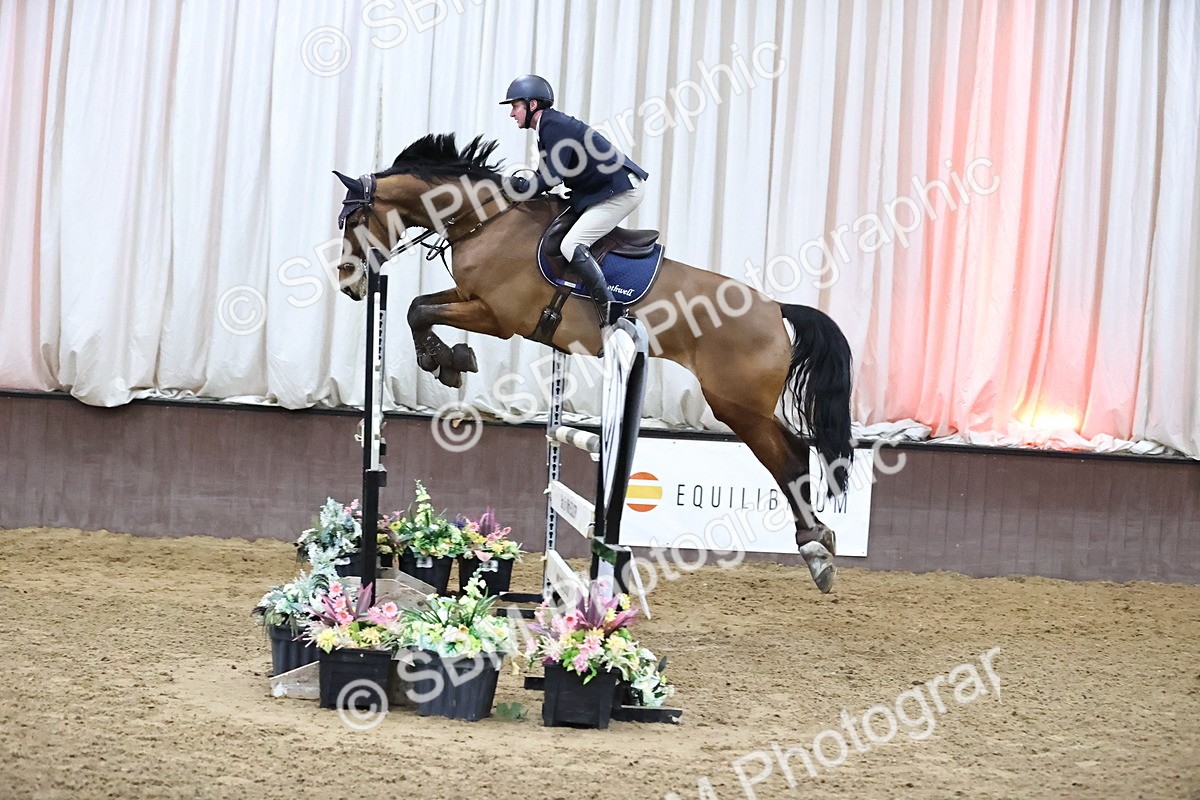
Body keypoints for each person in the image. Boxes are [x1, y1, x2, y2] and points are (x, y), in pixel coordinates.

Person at [499, 74, 649, 326]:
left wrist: (522, 186)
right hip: (605, 189)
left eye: (515, 106)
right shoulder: (547, 127)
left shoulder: (553, 125)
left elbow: (552, 177)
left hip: (622, 191)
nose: (512, 114)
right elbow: (544, 175)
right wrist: (524, 187)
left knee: (571, 245)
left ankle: (613, 313)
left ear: (532, 105)